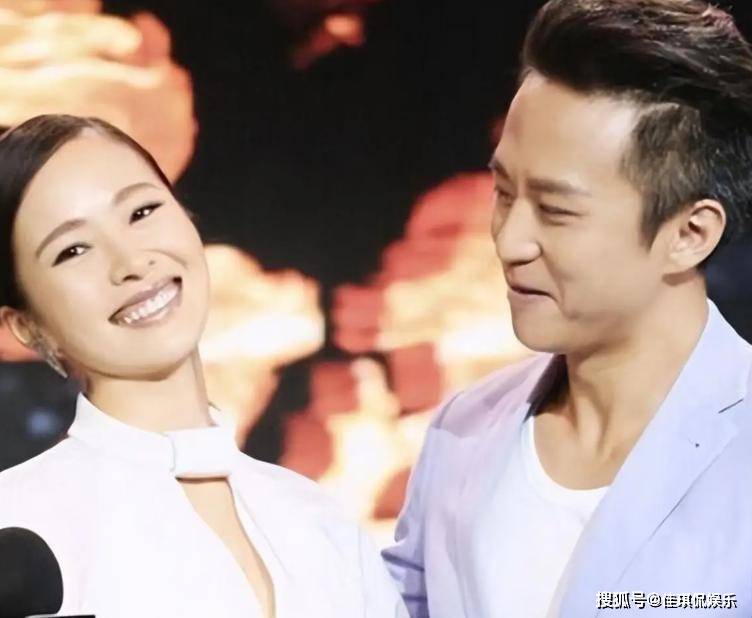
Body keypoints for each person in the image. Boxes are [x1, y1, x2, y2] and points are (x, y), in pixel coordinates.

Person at [383, 0, 752, 616]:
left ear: (689, 234)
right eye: (504, 193)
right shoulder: (462, 431)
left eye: (556, 211)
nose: (509, 241)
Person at [0, 114, 407, 618]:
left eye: (142, 211)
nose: (131, 262)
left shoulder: (321, 520)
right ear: (26, 325)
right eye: (73, 250)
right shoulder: (20, 526)